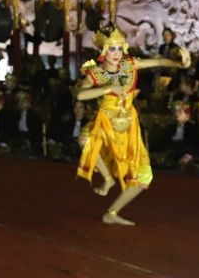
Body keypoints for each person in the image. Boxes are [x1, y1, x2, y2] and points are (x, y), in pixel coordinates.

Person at [76, 27, 189, 225]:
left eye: (120, 49)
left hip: (128, 126)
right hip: (105, 122)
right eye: (112, 49)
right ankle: (107, 179)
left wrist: (179, 64)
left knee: (144, 177)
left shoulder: (130, 65)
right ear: (103, 51)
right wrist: (108, 88)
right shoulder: (96, 73)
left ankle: (111, 213)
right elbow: (80, 94)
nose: (117, 54)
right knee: (84, 140)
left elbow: (159, 61)